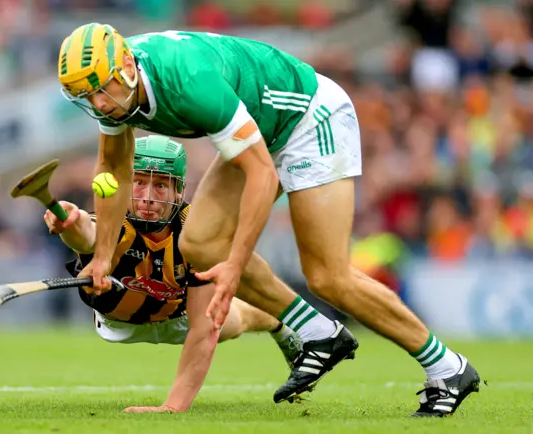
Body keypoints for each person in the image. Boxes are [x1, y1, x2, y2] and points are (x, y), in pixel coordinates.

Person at [57, 25, 480, 416]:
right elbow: (112, 171)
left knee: (328, 277)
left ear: (128, 67)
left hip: (309, 120)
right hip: (259, 126)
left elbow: (261, 174)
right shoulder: (113, 95)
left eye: (102, 89)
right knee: (200, 244)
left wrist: (236, 267)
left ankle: (448, 368)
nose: (98, 103)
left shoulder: (187, 82)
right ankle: (318, 331)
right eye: (85, 96)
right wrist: (102, 257)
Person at [44, 135, 303, 413]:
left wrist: (172, 407)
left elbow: (203, 329)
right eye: (140, 182)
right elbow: (86, 234)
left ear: (179, 191)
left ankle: (281, 326)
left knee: (237, 318)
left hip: (180, 317)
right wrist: (69, 220)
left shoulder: (194, 231)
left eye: (160, 186)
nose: (148, 197)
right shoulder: (114, 220)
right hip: (117, 324)